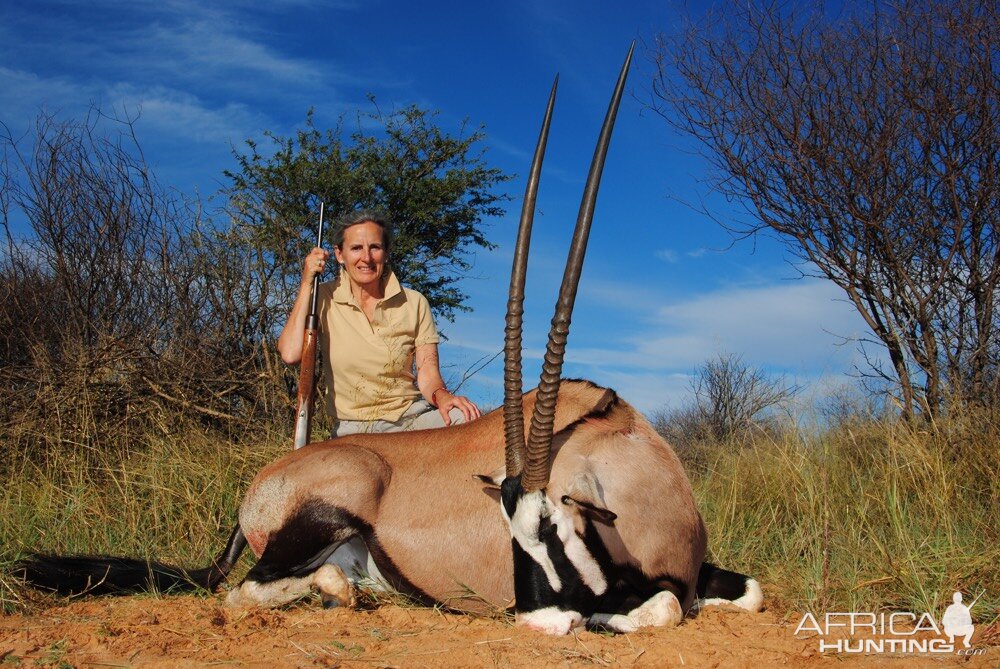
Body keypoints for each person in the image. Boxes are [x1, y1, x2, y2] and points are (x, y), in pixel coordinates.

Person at [277, 209, 481, 438]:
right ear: (339, 254)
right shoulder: (322, 296)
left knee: (469, 418)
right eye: (356, 248)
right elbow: (290, 353)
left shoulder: (414, 302)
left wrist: (443, 396)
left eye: (375, 247)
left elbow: (428, 374)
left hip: (411, 421)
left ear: (386, 253)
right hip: (352, 429)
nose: (366, 257)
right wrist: (307, 283)